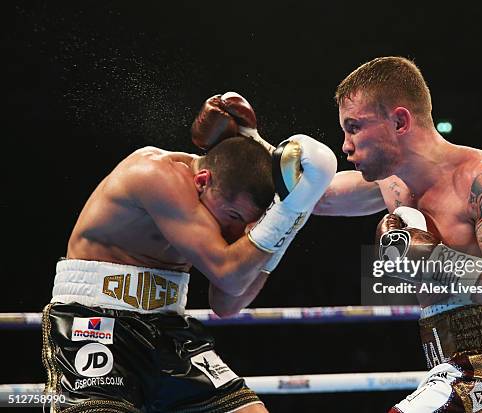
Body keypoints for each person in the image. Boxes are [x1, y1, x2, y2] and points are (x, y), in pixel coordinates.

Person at [43, 92, 337, 412]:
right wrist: (285, 213)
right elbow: (227, 271)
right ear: (202, 181)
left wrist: (285, 225)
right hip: (93, 321)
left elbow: (227, 301)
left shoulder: (214, 216)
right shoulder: (155, 174)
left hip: (168, 328)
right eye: (234, 217)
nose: (236, 233)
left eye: (248, 225)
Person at [314, 57, 482, 412]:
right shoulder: (391, 183)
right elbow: (312, 196)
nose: (346, 145)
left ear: (399, 121)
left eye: (354, 128)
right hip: (452, 373)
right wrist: (251, 149)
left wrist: (434, 261)